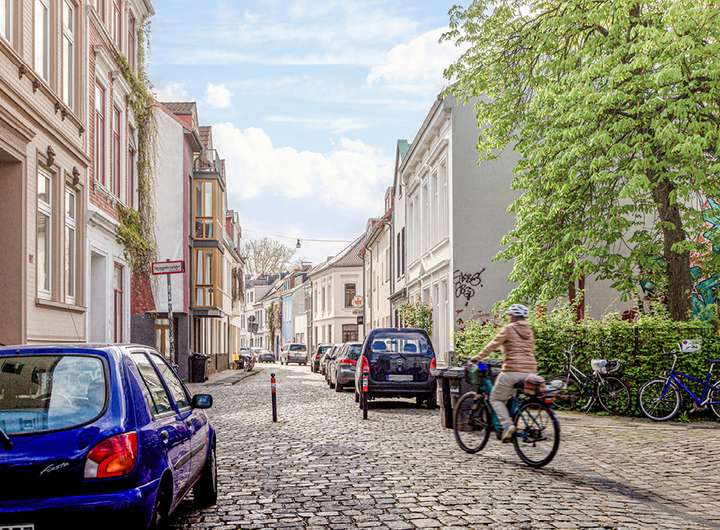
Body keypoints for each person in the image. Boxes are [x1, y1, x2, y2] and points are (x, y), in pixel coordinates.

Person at [469, 304, 537, 442]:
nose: (508, 317)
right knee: (511, 396)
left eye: (509, 315)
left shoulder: (509, 329)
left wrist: (477, 358)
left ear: (513, 316)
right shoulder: (529, 331)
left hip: (512, 370)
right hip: (530, 371)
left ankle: (507, 426)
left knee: (495, 399)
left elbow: (492, 345)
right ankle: (515, 421)